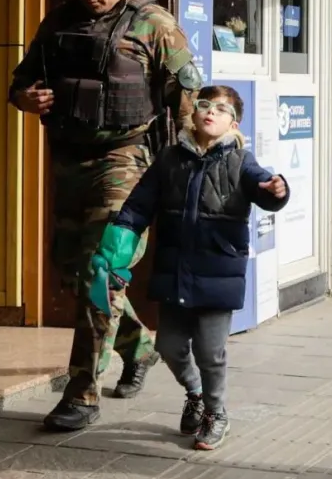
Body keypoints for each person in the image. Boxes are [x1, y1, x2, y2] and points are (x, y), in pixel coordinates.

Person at [8, 0, 202, 432]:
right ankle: (139, 348)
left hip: (129, 160)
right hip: (72, 161)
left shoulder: (154, 24)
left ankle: (82, 392)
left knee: (102, 270)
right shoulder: (58, 22)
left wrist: (189, 168)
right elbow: (22, 80)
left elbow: (187, 98)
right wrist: (25, 98)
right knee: (75, 273)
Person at [90, 86, 289, 450]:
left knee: (211, 352)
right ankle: (195, 394)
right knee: (169, 345)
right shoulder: (169, 159)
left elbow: (263, 188)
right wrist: (117, 245)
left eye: (221, 108)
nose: (210, 112)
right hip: (174, 271)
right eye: (204, 105)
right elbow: (137, 207)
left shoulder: (241, 160)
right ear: (193, 113)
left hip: (218, 273)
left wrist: (277, 190)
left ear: (234, 121)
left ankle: (216, 413)